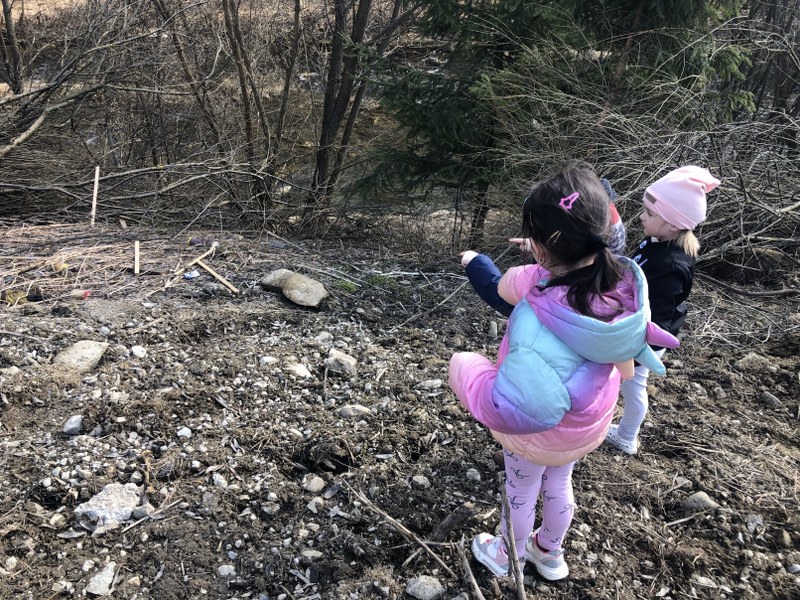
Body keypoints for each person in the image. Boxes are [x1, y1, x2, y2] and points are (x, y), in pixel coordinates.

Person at [449, 163, 679, 580]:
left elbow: (510, 407)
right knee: (559, 484)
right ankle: (549, 552)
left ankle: (506, 555)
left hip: (535, 435)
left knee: (520, 491)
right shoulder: (622, 288)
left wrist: (467, 370)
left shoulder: (535, 310)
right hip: (583, 428)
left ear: (541, 247)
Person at [605, 166, 720, 455]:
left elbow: (659, 313)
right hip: (636, 329)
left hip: (646, 339)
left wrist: (638, 344)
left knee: (633, 385)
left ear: (672, 224)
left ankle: (626, 436)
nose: (641, 217)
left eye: (650, 213)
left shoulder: (671, 265)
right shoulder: (656, 242)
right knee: (627, 383)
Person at [461, 172, 626, 319]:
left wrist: (476, 263)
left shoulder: (536, 287)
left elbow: (501, 295)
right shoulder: (624, 290)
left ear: (548, 247)